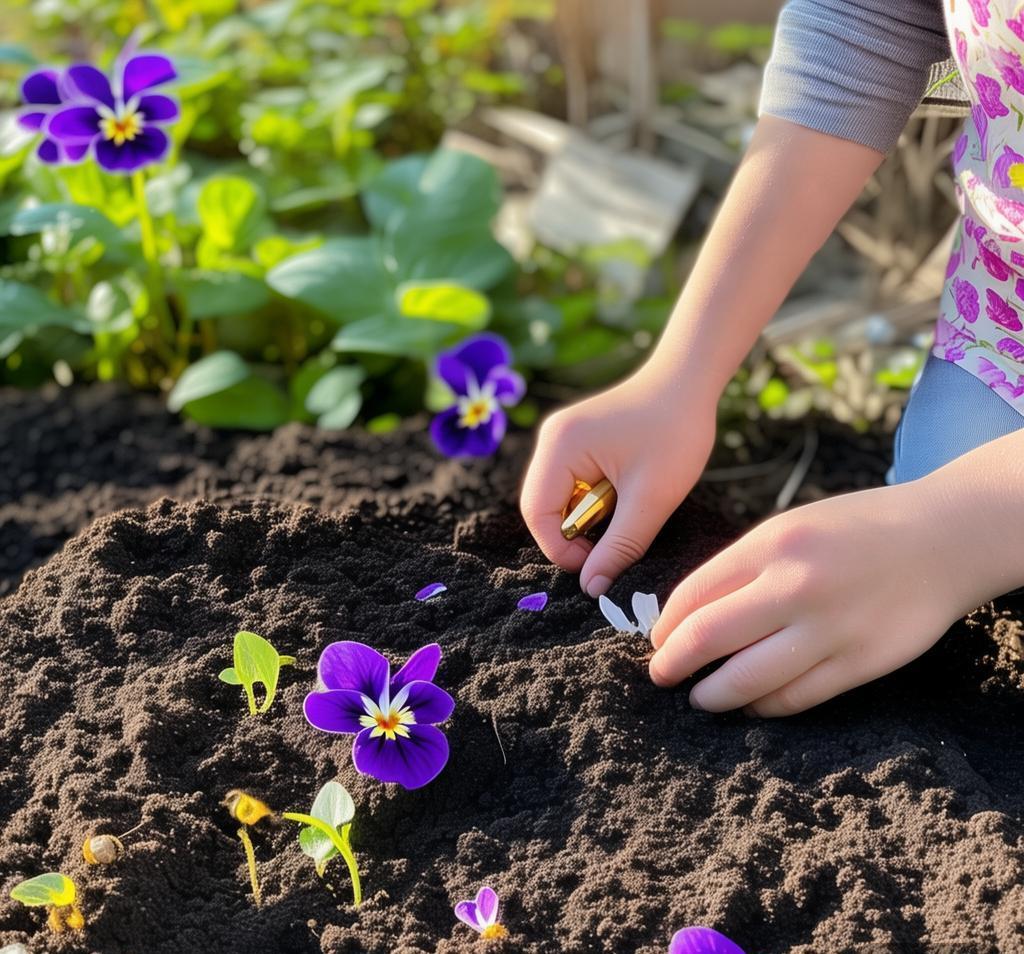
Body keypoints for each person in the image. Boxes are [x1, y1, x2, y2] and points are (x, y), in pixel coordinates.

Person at [520, 0, 1024, 717]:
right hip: (1007, 323)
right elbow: (867, 19)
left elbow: (951, 535)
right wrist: (682, 375)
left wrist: (946, 530)